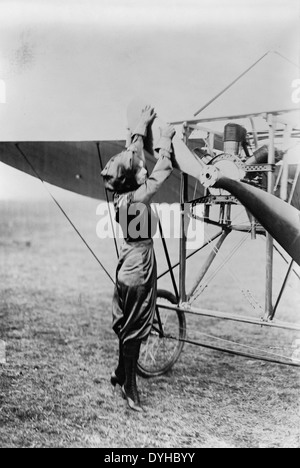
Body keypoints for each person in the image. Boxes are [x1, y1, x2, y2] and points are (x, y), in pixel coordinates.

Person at [101, 105, 176, 412]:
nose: (144, 167)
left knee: (126, 325)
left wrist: (138, 129)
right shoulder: (139, 196)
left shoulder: (124, 194)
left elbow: (133, 158)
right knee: (135, 329)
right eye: (140, 170)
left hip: (125, 263)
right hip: (140, 266)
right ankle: (131, 389)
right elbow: (162, 172)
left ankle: (121, 373)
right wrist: (166, 141)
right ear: (134, 181)